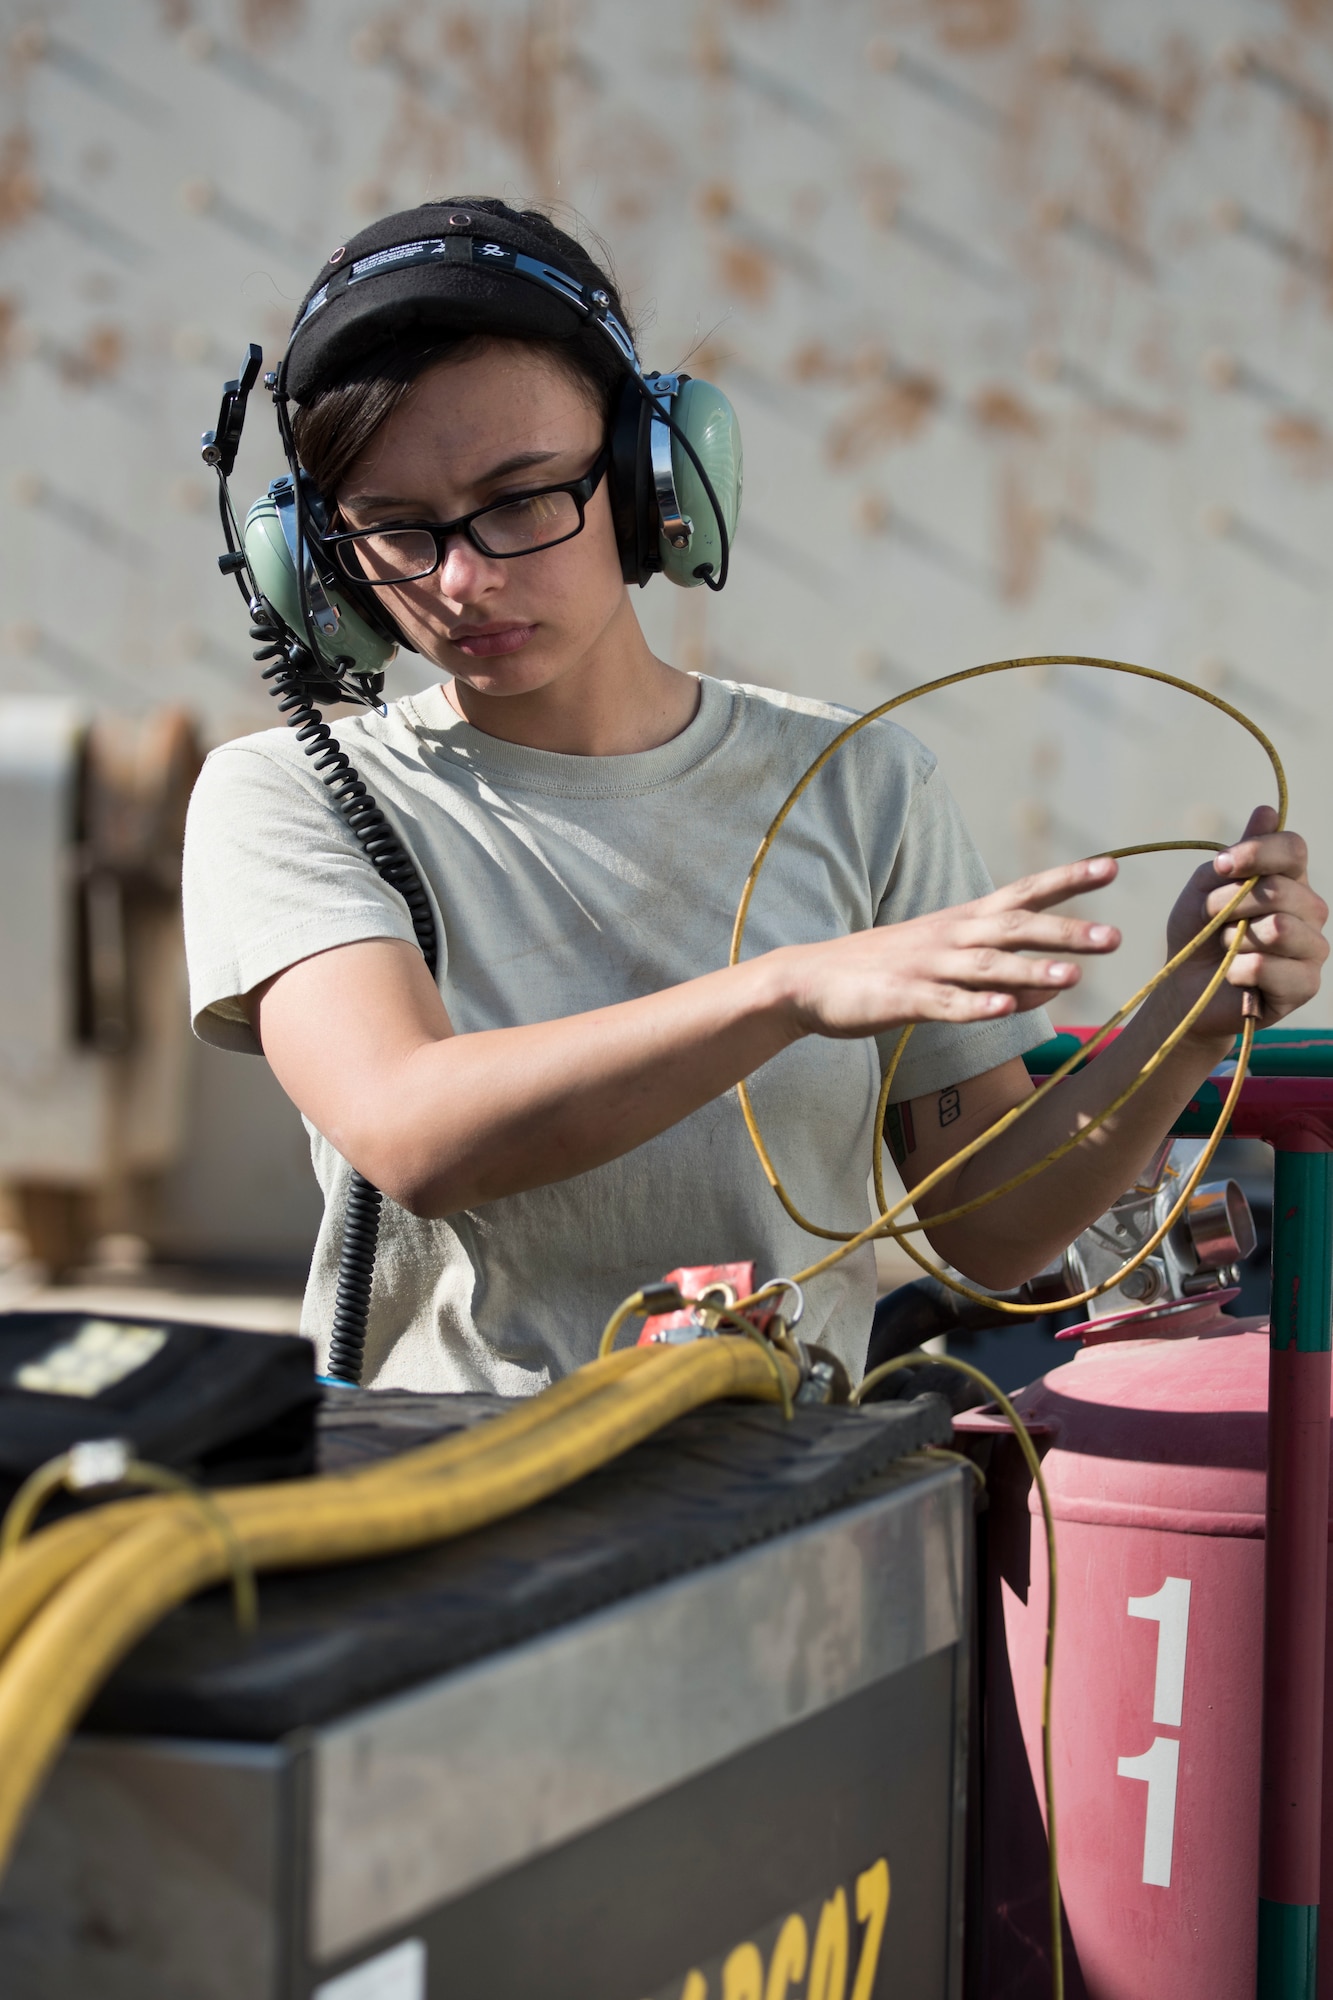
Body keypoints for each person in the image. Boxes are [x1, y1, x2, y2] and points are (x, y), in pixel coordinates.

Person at [183, 199, 1328, 1393]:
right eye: (394, 529)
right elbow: (412, 1129)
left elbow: (988, 1226)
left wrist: (1187, 1017)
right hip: (443, 1512)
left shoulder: (859, 784)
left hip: (779, 1511)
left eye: (523, 498)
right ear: (317, 560)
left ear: (648, 477)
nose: (464, 579)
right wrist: (785, 988)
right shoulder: (287, 794)